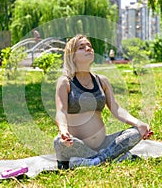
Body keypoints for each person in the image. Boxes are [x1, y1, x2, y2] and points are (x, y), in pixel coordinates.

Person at [53, 34, 153, 169]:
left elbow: (117, 109)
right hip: (77, 144)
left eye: (90, 46)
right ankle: (112, 157)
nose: (88, 48)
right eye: (81, 47)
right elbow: (61, 112)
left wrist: (138, 123)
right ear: (72, 56)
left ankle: (95, 161)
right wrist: (63, 130)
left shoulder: (102, 81)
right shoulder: (65, 82)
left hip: (103, 143)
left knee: (135, 132)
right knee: (59, 142)